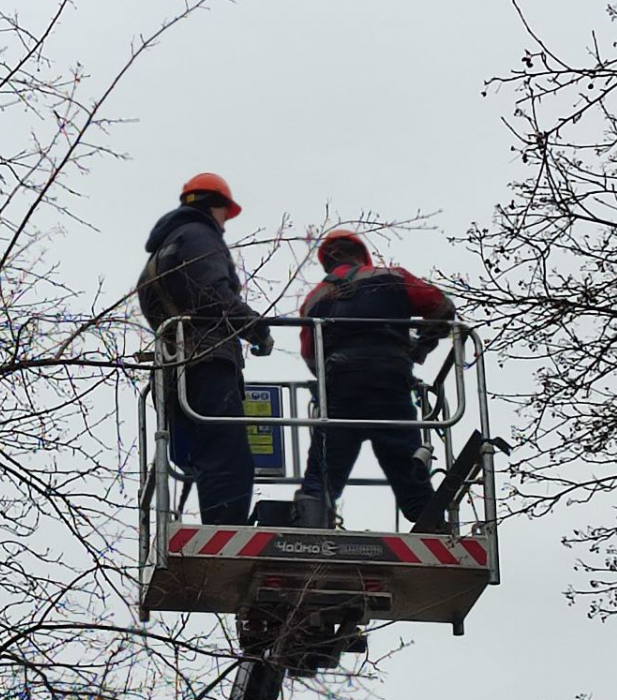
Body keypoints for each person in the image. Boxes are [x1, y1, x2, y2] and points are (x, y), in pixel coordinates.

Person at [294, 230, 456, 530]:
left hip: (341, 386)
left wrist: (331, 377)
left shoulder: (314, 298)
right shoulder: (393, 276)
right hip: (389, 381)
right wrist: (420, 348)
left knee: (323, 473)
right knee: (408, 467)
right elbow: (442, 309)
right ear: (361, 254)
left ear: (328, 262)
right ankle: (433, 531)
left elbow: (309, 355)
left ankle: (310, 530)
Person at [137, 172, 274, 525]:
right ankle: (226, 533)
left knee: (206, 455)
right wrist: (255, 328)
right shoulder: (199, 237)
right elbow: (212, 294)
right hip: (206, 361)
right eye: (226, 214)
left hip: (176, 369)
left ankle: (221, 528)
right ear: (216, 206)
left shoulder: (162, 252)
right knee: (229, 458)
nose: (226, 224)